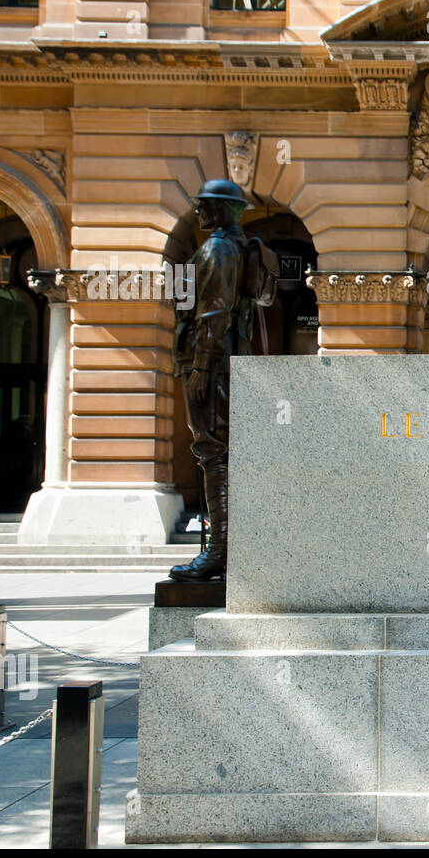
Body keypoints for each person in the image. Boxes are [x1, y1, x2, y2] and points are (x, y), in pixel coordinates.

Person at [169, 179, 253, 581]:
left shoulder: (218, 248)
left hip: (213, 363)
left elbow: (214, 312)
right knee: (220, 452)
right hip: (224, 359)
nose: (198, 212)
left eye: (204, 206)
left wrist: (203, 365)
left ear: (220, 209)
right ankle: (224, 549)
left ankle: (219, 551)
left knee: (213, 451)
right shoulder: (234, 247)